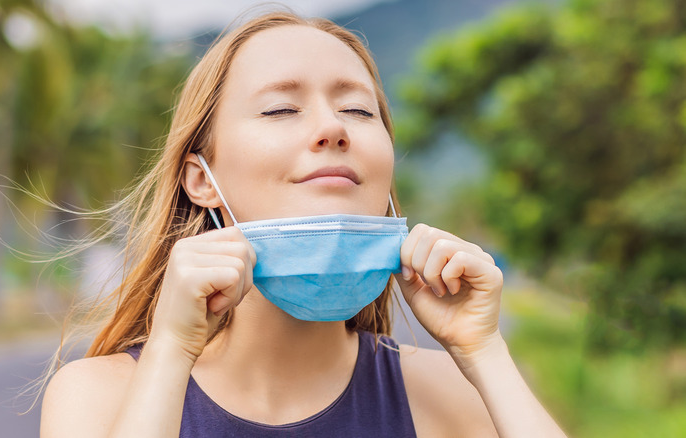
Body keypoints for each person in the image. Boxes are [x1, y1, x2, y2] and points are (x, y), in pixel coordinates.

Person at [40, 11, 567, 438]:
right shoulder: (97, 398)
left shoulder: (447, 392)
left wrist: (484, 353)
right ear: (200, 180)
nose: (332, 127)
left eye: (359, 110)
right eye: (280, 109)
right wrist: (171, 354)